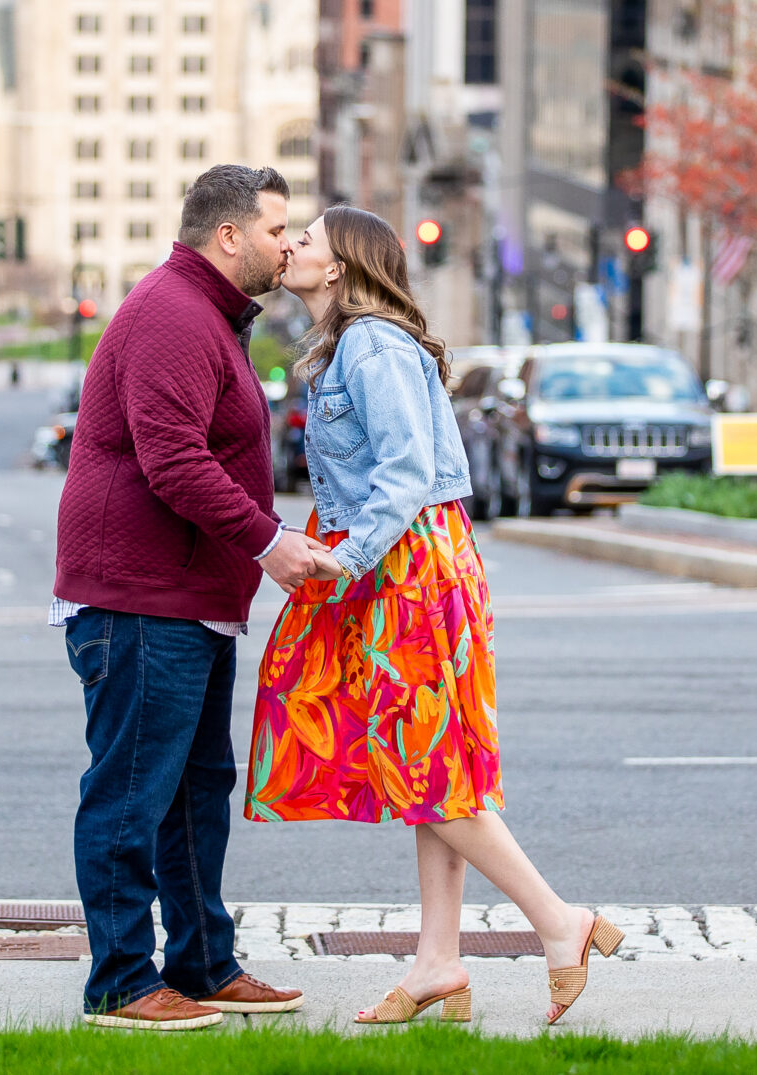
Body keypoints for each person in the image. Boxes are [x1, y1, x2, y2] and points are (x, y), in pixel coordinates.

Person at [247, 206, 623, 1028]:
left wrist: (343, 560)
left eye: (305, 238)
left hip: (409, 567)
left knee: (427, 768)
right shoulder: (350, 344)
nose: (290, 247)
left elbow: (407, 470)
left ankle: (561, 923)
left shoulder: (372, 344)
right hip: (411, 561)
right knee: (434, 766)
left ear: (341, 264)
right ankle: (438, 961)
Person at [50, 164, 346, 1031]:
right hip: (141, 600)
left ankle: (204, 962)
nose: (287, 244)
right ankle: (119, 982)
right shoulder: (174, 314)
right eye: (274, 229)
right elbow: (174, 458)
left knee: (194, 791)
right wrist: (268, 543)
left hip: (185, 599)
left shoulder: (205, 315)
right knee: (133, 791)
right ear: (227, 236)